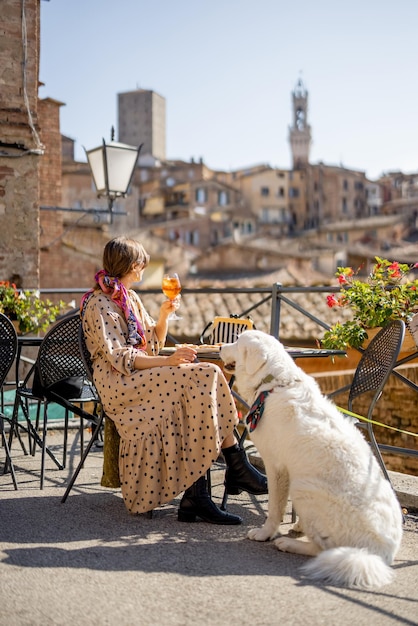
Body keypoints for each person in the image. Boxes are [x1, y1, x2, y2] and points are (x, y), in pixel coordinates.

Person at [80, 236, 267, 524]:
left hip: (141, 374)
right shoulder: (99, 303)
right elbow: (120, 357)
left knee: (207, 374)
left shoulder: (130, 298)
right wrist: (169, 361)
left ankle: (204, 491)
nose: (144, 266)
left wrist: (164, 316)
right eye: (142, 261)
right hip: (120, 384)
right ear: (133, 265)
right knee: (205, 374)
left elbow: (150, 345)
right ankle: (232, 467)